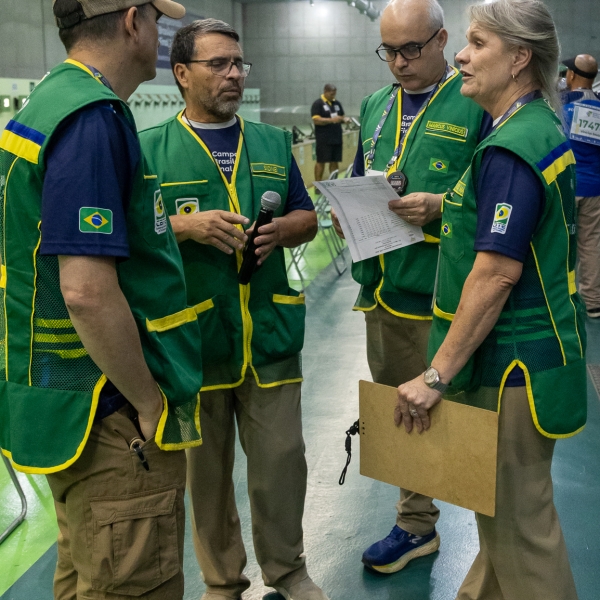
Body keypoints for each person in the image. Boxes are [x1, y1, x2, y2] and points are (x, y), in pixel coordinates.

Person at [0, 0, 204, 598]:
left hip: (60, 400)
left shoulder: (47, 102)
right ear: (132, 21)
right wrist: (147, 401)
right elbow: (86, 290)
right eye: (158, 21)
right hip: (108, 411)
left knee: (85, 571)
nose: (160, 34)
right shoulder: (91, 117)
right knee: (132, 581)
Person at [395, 1, 585, 598]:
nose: (460, 55)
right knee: (500, 519)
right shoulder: (531, 127)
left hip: (513, 365)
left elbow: (496, 274)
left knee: (520, 530)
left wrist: (435, 374)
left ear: (520, 57)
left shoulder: (512, 148)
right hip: (525, 359)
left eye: (478, 43)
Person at [139, 19, 324, 600]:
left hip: (268, 335)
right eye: (218, 64)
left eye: (238, 63)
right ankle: (222, 581)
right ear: (181, 73)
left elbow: (306, 216)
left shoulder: (271, 143)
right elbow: (129, 235)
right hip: (194, 344)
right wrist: (184, 227)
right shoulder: (149, 150)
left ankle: (288, 570)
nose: (234, 74)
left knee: (282, 464)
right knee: (207, 475)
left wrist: (282, 231)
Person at [333, 0, 489, 574]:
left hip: (449, 296)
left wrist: (441, 206)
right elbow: (360, 175)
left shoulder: (476, 103)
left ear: (442, 40)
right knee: (403, 413)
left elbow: (495, 195)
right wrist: (345, 210)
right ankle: (415, 524)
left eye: (411, 49)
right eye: (389, 51)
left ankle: (496, 541)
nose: (399, 62)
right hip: (386, 292)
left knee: (473, 415)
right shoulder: (376, 105)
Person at [561, 54, 600, 318]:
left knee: (558, 242)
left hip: (566, 185)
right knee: (591, 243)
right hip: (595, 188)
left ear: (572, 75)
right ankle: (593, 302)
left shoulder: (561, 106)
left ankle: (560, 298)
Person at [311, 84, 349, 181]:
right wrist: (332, 120)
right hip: (324, 139)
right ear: (325, 91)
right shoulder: (318, 104)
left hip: (336, 138)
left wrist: (344, 119)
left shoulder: (337, 103)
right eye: (331, 94)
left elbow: (341, 116)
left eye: (334, 94)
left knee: (334, 161)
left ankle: (334, 183)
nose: (333, 96)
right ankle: (318, 185)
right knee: (321, 161)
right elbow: (316, 120)